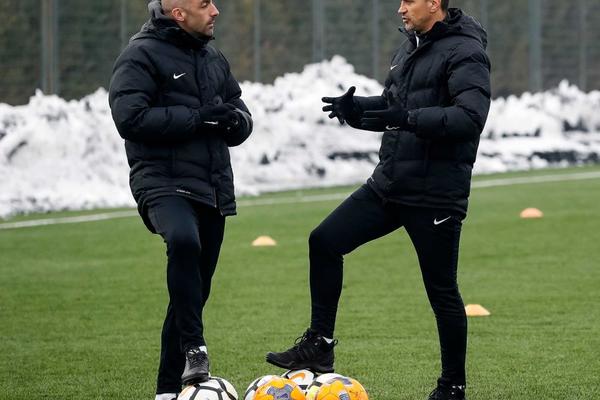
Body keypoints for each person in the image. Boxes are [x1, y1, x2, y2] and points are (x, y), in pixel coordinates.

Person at [266, 1, 490, 399]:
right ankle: (320, 344)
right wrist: (357, 110)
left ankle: (452, 386)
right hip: (390, 183)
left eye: (408, 1)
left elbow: (469, 118)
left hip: (435, 194)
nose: (400, 8)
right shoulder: (410, 46)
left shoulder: (466, 50)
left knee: (441, 291)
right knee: (324, 240)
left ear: (434, 3)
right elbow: (395, 106)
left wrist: (407, 118)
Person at [108, 0, 253, 399]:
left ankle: (167, 391)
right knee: (184, 241)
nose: (215, 10)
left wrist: (236, 122)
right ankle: (195, 347)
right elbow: (129, 118)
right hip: (160, 181)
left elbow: (239, 112)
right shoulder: (140, 55)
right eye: (204, 4)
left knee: (192, 293)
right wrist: (199, 118)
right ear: (178, 13)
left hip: (211, 186)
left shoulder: (213, 57)